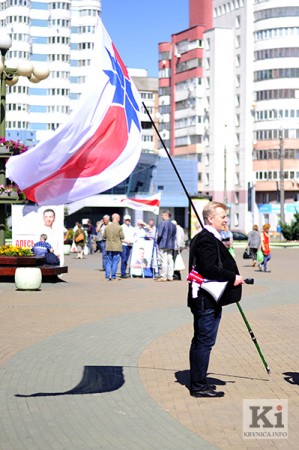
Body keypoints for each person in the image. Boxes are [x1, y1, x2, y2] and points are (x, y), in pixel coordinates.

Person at [188, 201, 244, 398]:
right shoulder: (206, 239)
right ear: (210, 218)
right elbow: (208, 268)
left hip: (207, 298)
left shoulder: (208, 237)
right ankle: (198, 386)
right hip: (206, 299)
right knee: (204, 342)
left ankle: (198, 380)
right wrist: (233, 277)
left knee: (200, 342)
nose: (226, 220)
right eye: (222, 216)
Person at [156, 210, 177, 282]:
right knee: (170, 260)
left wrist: (157, 242)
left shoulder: (162, 223)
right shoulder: (173, 225)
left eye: (162, 215)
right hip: (171, 244)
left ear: (166, 215)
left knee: (164, 260)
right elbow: (174, 236)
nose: (161, 216)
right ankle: (170, 276)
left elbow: (159, 235)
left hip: (163, 244)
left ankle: (163, 276)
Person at [103, 213, 124, 281]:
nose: (119, 219)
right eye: (119, 218)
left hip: (109, 246)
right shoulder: (119, 227)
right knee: (115, 262)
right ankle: (113, 276)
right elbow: (122, 237)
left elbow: (104, 236)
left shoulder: (107, 227)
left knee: (109, 261)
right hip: (117, 247)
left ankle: (107, 276)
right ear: (117, 218)